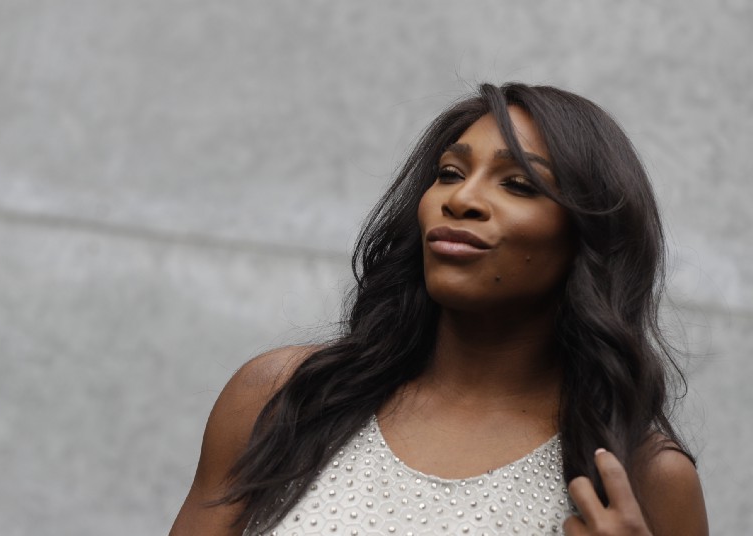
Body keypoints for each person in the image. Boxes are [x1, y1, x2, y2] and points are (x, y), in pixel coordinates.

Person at [170, 82, 708, 535]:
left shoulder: (646, 475)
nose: (461, 199)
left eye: (518, 184)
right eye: (450, 173)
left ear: (587, 240)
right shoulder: (282, 397)